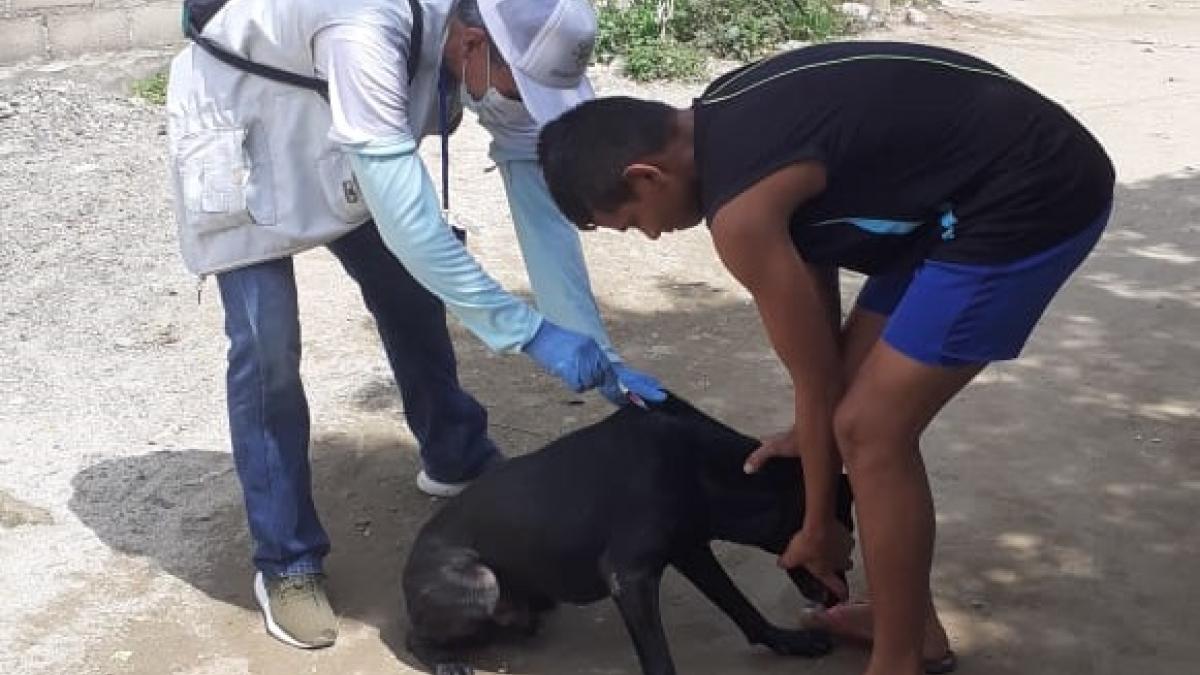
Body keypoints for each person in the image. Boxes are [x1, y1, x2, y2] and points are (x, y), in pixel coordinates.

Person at [537, 41, 1115, 675]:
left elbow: (816, 384)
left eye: (632, 222)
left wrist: (817, 527)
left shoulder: (741, 214)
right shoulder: (721, 118)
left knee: (871, 431)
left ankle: (900, 660)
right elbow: (822, 367)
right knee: (851, 414)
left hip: (1031, 192)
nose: (649, 236)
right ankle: (910, 622)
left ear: (645, 176)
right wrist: (813, 441)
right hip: (959, 194)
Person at [165, 0, 664, 650]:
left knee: (410, 298)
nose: (522, 101)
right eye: (522, 87)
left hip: (337, 124)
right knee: (268, 348)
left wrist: (594, 347)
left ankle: (455, 452)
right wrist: (531, 332)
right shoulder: (365, 26)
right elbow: (413, 231)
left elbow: (530, 180)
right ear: (474, 44)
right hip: (242, 123)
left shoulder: (487, 29)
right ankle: (286, 559)